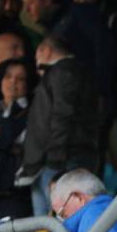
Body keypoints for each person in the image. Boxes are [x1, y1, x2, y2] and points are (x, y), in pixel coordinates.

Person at [20, 35, 99, 219]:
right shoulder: (70, 72)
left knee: (59, 218)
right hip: (55, 157)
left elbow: (62, 115)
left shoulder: (63, 71)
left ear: (44, 51)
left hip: (59, 159)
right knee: (48, 221)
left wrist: (54, 158)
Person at [68, 0, 117, 171]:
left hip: (105, 91)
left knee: (97, 140)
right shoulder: (71, 20)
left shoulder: (114, 16)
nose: (81, 3)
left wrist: (107, 84)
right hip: (78, 92)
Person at [0, 56, 36, 221]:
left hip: (16, 189)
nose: (12, 82)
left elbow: (6, 141)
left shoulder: (31, 112)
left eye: (20, 79)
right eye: (8, 76)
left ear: (28, 83)